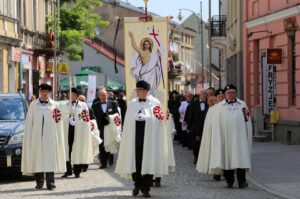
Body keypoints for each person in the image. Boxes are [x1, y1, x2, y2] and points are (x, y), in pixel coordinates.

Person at [115, 80, 168, 198]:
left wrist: (147, 118)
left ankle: (146, 188)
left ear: (146, 91)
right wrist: (135, 118)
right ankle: (137, 184)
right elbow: (127, 120)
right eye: (137, 90)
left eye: (139, 90)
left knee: (148, 161)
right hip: (135, 136)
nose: (137, 92)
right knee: (136, 161)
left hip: (150, 137)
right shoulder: (133, 103)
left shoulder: (155, 103)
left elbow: (159, 121)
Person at [21, 84, 66, 190]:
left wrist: (58, 136)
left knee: (50, 159)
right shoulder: (33, 105)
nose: (44, 93)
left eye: (46, 91)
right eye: (42, 91)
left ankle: (50, 183)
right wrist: (30, 137)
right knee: (38, 159)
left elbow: (58, 121)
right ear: (39, 92)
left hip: (50, 137)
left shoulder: (55, 105)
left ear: (49, 92)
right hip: (36, 137)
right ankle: (39, 182)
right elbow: (29, 122)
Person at [210, 85, 252, 188]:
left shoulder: (242, 105)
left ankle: (242, 181)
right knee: (227, 158)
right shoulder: (219, 107)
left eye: (232, 92)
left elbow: (247, 120)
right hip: (225, 138)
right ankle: (229, 180)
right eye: (228, 93)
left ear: (236, 93)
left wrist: (247, 135)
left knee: (240, 158)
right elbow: (216, 124)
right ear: (225, 94)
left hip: (239, 138)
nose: (231, 95)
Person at [61, 88, 94, 178]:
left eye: (72, 94)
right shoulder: (64, 106)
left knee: (78, 149)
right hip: (67, 130)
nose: (70, 96)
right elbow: (61, 118)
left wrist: (77, 120)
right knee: (67, 149)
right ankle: (68, 169)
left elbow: (86, 119)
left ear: (76, 95)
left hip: (79, 130)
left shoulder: (83, 105)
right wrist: (68, 119)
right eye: (69, 94)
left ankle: (77, 170)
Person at [129, 31, 163, 96]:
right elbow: (134, 46)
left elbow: (158, 64)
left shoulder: (154, 55)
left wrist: (160, 57)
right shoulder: (141, 52)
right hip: (144, 73)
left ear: (150, 45)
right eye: (145, 44)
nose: (146, 45)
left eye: (148, 44)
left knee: (151, 88)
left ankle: (150, 98)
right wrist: (132, 36)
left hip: (152, 73)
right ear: (143, 45)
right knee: (143, 87)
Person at [92, 87, 119, 169]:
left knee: (110, 142)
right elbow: (93, 116)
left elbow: (117, 114)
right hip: (100, 127)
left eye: (104, 95)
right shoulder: (95, 105)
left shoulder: (113, 103)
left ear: (107, 95)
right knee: (102, 144)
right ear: (99, 96)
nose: (103, 96)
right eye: (101, 95)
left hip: (110, 126)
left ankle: (111, 158)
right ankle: (103, 163)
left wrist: (110, 117)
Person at [187, 89, 208, 164]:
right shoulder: (194, 103)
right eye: (203, 94)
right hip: (196, 126)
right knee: (196, 143)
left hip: (206, 125)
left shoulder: (209, 103)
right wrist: (188, 127)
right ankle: (196, 157)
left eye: (206, 94)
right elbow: (191, 115)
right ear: (200, 95)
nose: (205, 96)